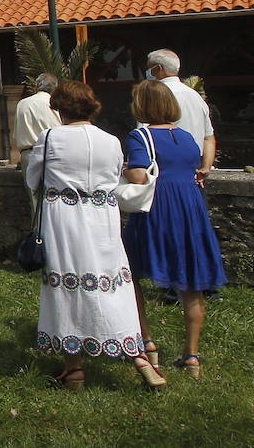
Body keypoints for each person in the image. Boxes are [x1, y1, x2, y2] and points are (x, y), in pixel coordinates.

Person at [26, 80, 164, 391]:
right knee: (111, 282)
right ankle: (139, 356)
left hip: (64, 218)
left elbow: (33, 178)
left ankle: (73, 368)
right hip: (103, 217)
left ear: (60, 107)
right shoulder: (111, 140)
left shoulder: (51, 138)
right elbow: (116, 176)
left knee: (67, 283)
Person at [122, 79, 227, 380]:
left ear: (141, 105)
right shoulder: (186, 138)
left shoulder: (139, 135)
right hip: (190, 209)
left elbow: (141, 176)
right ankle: (192, 356)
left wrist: (125, 169)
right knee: (191, 280)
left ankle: (146, 341)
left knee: (131, 275)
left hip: (158, 209)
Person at [146, 49, 217, 184]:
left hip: (164, 168)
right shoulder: (196, 96)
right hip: (194, 169)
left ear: (158, 68)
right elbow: (208, 138)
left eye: (149, 68)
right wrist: (205, 167)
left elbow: (146, 134)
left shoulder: (156, 96)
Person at [14, 73, 61, 211]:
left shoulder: (22, 104)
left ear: (36, 86)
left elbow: (16, 135)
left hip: (29, 154)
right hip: (54, 152)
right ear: (55, 88)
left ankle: (38, 232)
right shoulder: (56, 104)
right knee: (56, 200)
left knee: (35, 203)